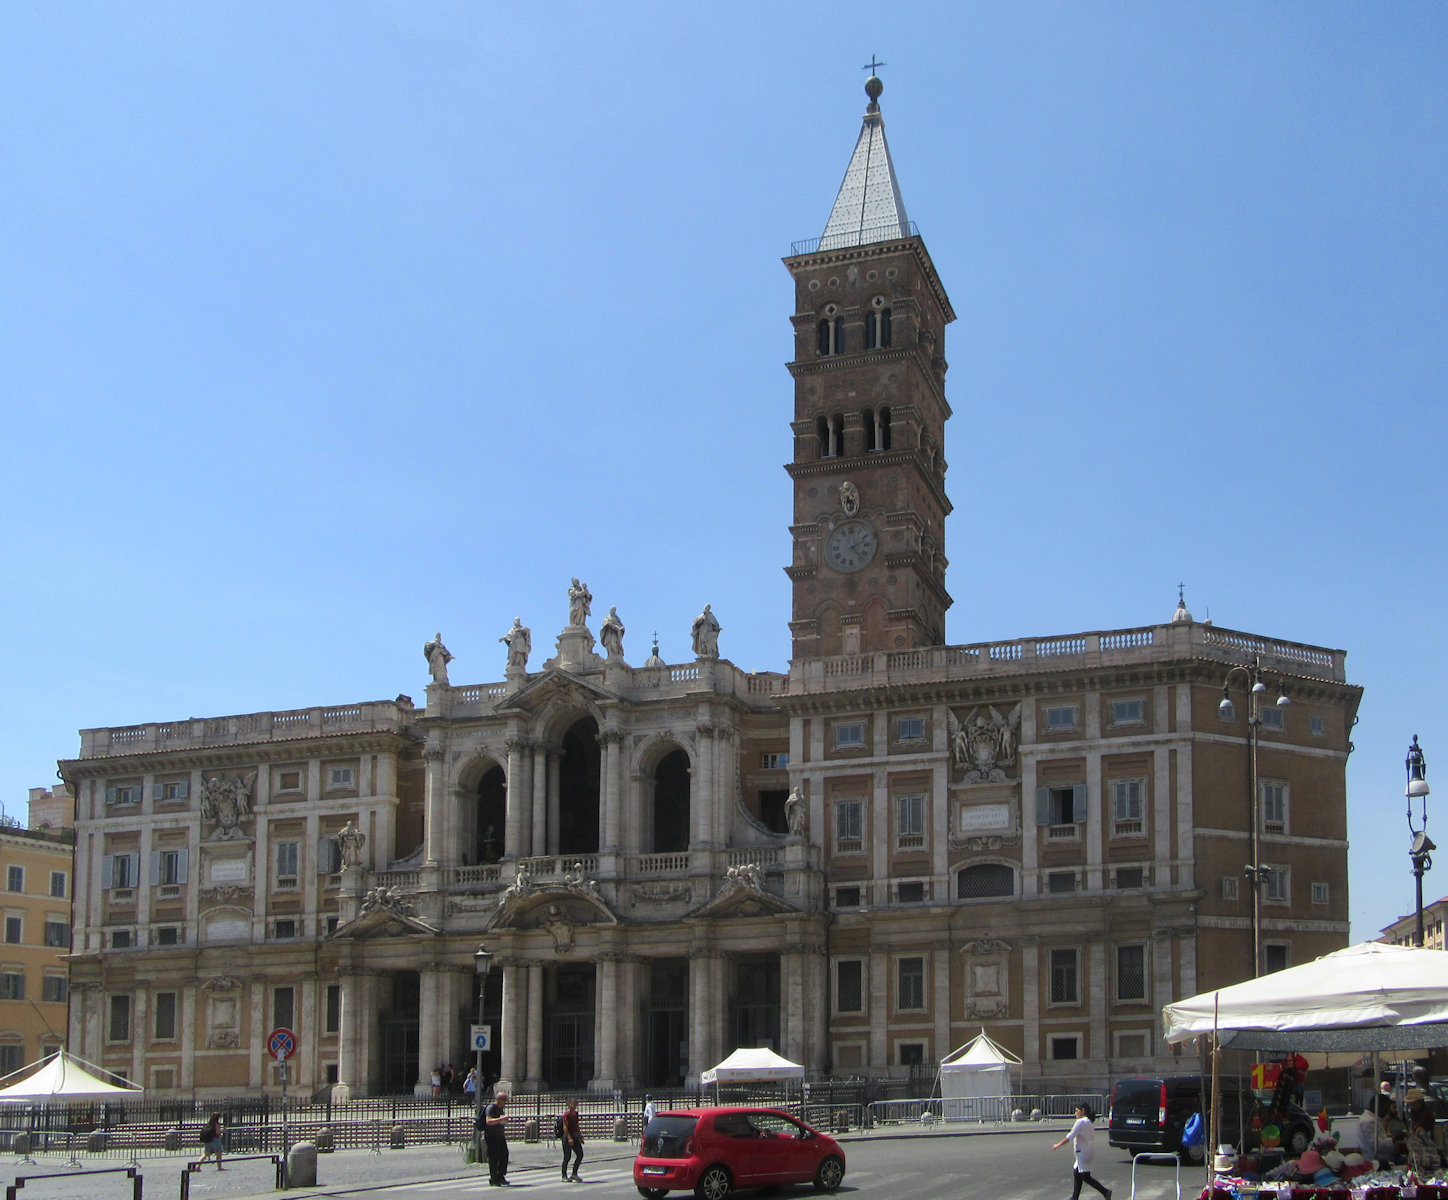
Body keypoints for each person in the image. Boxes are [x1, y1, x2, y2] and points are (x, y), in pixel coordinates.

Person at [1052, 1103, 1111, 1200]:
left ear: (1083, 1110)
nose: (1075, 1113)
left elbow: (1070, 1136)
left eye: (1077, 1111)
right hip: (1086, 1150)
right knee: (1076, 1172)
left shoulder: (1081, 1122)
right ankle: (1075, 1197)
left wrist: (1058, 1145)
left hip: (1083, 1152)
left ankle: (1105, 1192)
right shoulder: (1088, 1122)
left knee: (1085, 1176)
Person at [483, 1090, 510, 1186]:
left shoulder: (500, 1108)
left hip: (500, 1135)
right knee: (494, 1158)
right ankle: (493, 1178)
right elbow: (489, 1121)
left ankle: (501, 1176)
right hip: (491, 1136)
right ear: (498, 1099)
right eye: (504, 1099)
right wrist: (501, 1119)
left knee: (504, 1155)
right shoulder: (491, 1108)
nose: (506, 1101)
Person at [561, 1097, 584, 1182]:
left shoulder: (576, 1114)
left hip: (575, 1136)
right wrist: (569, 1138)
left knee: (580, 1154)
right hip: (568, 1137)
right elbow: (565, 1127)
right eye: (572, 1104)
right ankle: (564, 1175)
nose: (574, 1106)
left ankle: (574, 1173)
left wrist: (580, 1136)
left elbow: (577, 1126)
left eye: (575, 1104)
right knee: (567, 1157)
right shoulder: (567, 1115)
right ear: (569, 1105)